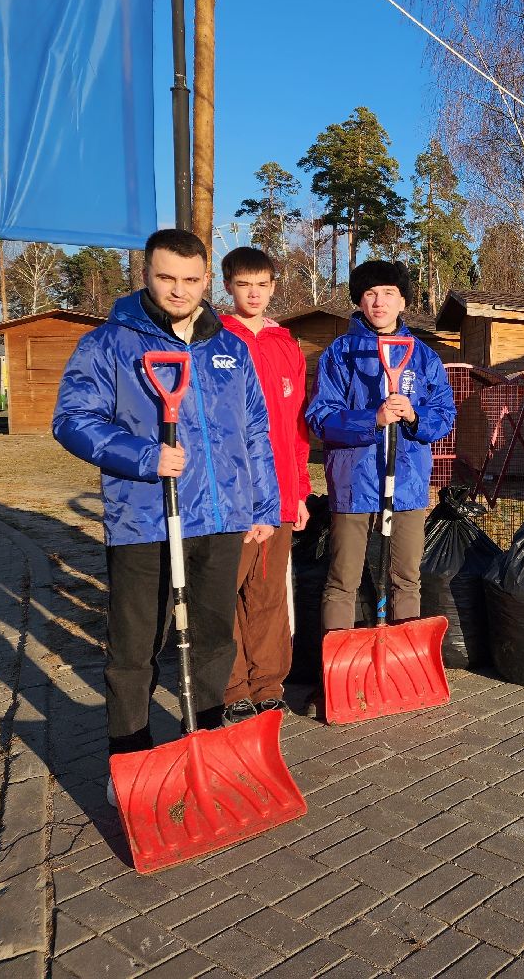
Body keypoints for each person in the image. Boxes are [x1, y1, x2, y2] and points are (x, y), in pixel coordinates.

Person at [53, 228, 278, 801]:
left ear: (208, 280)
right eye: (166, 277)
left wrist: (263, 504)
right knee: (135, 645)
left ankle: (203, 738)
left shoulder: (228, 347)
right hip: (144, 518)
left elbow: (254, 428)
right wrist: (145, 456)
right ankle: (128, 758)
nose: (179, 290)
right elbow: (73, 420)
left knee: (213, 639)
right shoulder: (110, 344)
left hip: (221, 515)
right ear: (147, 276)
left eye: (191, 279)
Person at [306, 260, 455, 632]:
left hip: (406, 482)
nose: (380, 302)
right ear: (359, 300)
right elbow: (320, 418)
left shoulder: (423, 357)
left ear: (403, 301)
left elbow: (444, 414)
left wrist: (416, 416)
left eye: (389, 293)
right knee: (343, 580)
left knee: (406, 578)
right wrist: (371, 419)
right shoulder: (340, 354)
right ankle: (337, 674)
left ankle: (400, 669)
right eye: (371, 294)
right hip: (354, 482)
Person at [217, 247, 312, 725]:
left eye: (261, 284)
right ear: (229, 287)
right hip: (232, 492)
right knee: (227, 590)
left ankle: (268, 683)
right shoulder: (215, 339)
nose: (252, 293)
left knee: (269, 592)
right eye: (243, 284)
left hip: (279, 492)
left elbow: (296, 426)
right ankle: (232, 685)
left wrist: (299, 490)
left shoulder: (287, 346)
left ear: (274, 286)